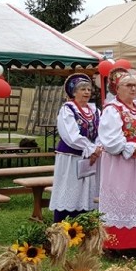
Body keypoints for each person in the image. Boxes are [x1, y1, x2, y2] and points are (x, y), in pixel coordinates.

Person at [97, 69, 136, 254]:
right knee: (122, 199)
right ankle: (117, 245)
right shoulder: (112, 110)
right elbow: (110, 141)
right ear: (117, 89)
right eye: (129, 85)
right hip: (121, 166)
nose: (134, 89)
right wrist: (135, 149)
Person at [49, 73, 102, 222]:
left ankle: (86, 223)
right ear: (74, 92)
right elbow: (70, 135)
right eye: (83, 89)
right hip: (72, 157)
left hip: (91, 158)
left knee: (88, 188)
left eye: (89, 89)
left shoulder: (95, 111)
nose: (87, 92)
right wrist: (90, 149)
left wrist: (97, 148)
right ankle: (64, 223)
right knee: (71, 187)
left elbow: (101, 132)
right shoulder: (68, 109)